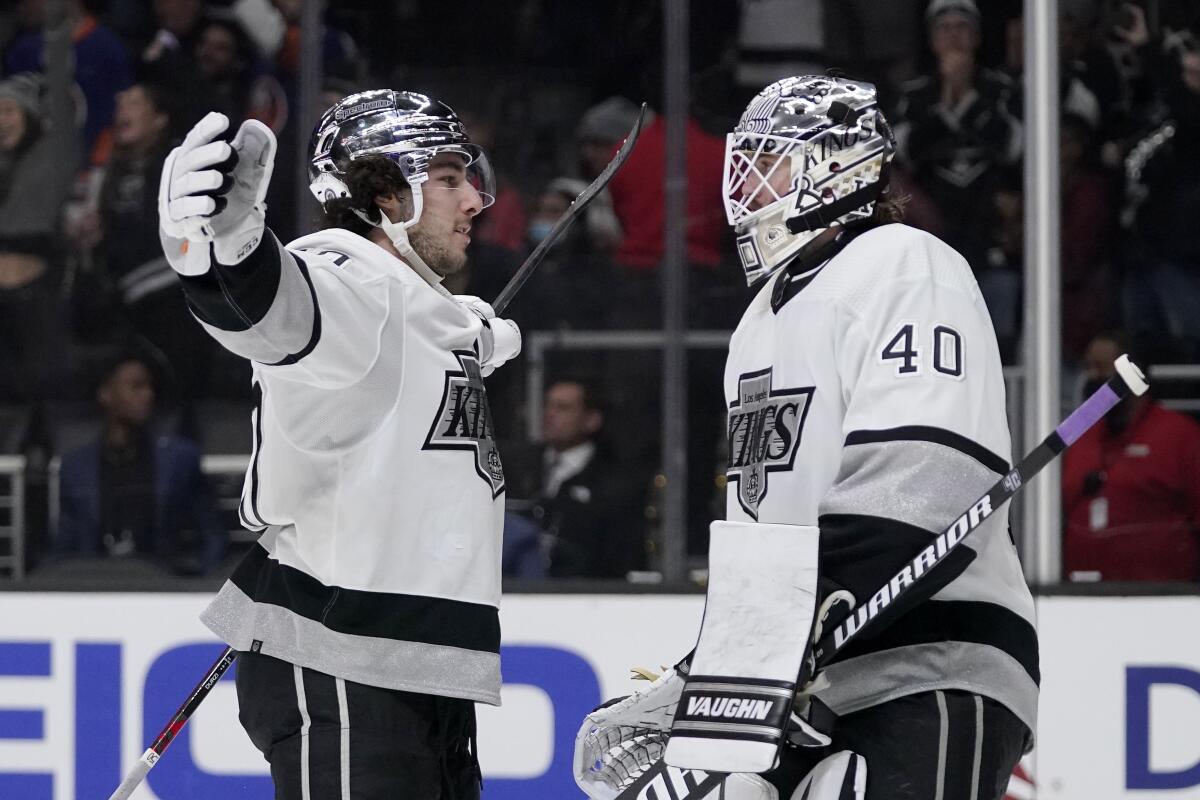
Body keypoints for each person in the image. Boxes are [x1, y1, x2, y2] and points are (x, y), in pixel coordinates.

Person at [577, 75, 1036, 800]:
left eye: (771, 159)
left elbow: (928, 481)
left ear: (839, 163)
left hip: (928, 662)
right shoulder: (757, 323)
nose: (746, 184)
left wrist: (787, 630)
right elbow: (766, 532)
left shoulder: (906, 264)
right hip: (800, 691)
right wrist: (710, 671)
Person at [156, 89, 521, 797]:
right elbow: (277, 315)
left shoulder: (415, 306)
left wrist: (452, 327)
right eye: (448, 179)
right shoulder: (350, 273)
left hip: (415, 667)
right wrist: (223, 256)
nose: (474, 199)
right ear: (385, 194)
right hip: (345, 659)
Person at [52, 351, 225, 575]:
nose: (148, 394)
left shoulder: (179, 459)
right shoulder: (76, 467)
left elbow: (213, 535)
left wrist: (193, 585)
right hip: (94, 586)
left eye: (149, 386)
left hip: (163, 586)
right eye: (136, 386)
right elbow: (64, 545)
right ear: (106, 394)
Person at [1063, 332, 1200, 582]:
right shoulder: (1079, 437)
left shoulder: (1181, 436)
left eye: (1102, 369)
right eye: (1089, 369)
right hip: (1077, 600)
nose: (1093, 378)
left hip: (1165, 601)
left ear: (1132, 374)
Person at [527, 378, 645, 579]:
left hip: (588, 593)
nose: (549, 414)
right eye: (548, 405)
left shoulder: (615, 481)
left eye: (562, 408)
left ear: (592, 419)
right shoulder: (520, 466)